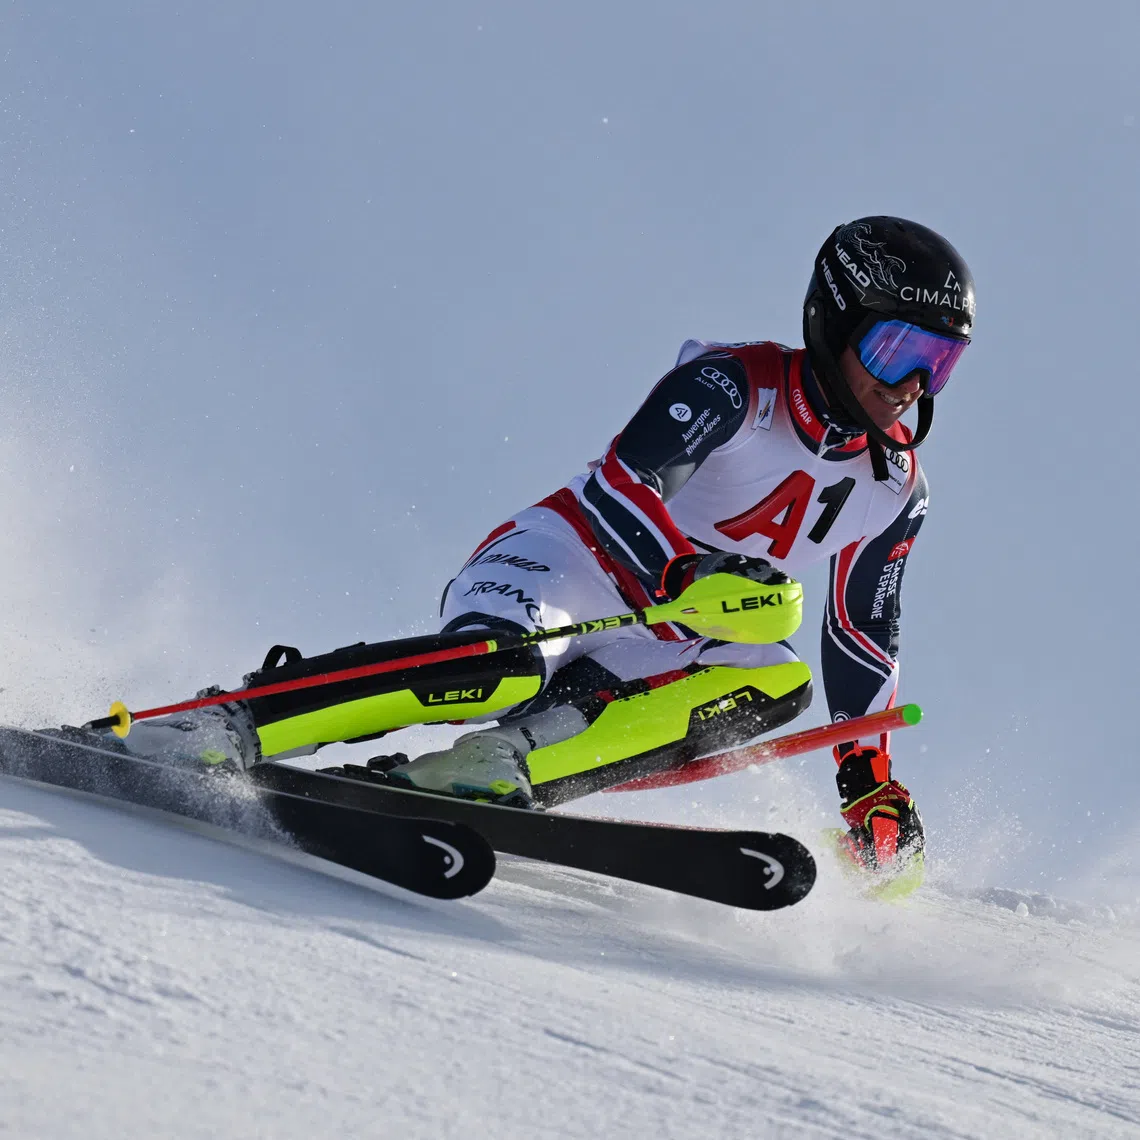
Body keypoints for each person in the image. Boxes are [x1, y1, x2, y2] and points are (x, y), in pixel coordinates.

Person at [90, 215, 973, 881]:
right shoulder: (734, 383)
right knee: (497, 667)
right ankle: (221, 724)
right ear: (832, 320)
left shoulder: (896, 488)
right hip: (569, 567)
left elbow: (862, 634)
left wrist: (867, 780)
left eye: (938, 365)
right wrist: (685, 570)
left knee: (776, 673)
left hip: (670, 631)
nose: (910, 387)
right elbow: (629, 481)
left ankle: (500, 764)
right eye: (896, 349)